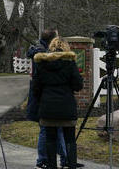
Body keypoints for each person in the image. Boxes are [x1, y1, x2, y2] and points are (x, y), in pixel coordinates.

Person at [32, 37, 83, 169]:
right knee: (70, 139)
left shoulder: (41, 64)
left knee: (50, 139)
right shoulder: (70, 63)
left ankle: (51, 166)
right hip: (66, 107)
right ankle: (71, 165)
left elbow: (36, 88)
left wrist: (40, 100)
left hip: (48, 107)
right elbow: (78, 85)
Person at [26, 29, 67, 168]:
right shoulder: (44, 55)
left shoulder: (38, 51)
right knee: (52, 129)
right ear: (52, 40)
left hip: (41, 97)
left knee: (50, 129)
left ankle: (52, 158)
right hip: (47, 97)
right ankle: (49, 159)